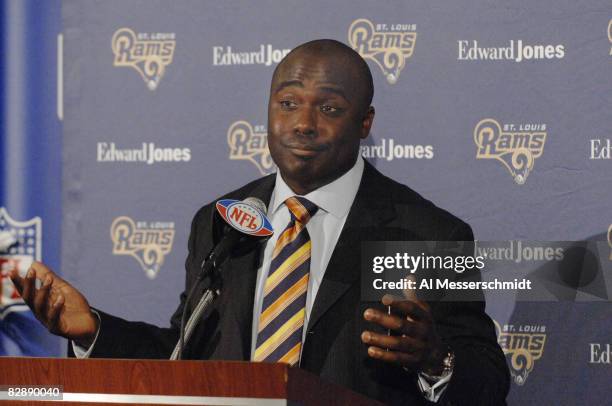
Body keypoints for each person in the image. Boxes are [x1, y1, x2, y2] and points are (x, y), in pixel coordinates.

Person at [10, 39, 509, 405]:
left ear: (365, 123)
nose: (303, 123)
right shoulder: (223, 221)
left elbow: (487, 383)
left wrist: (434, 359)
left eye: (330, 108)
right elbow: (184, 355)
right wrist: (93, 330)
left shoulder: (427, 234)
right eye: (288, 103)